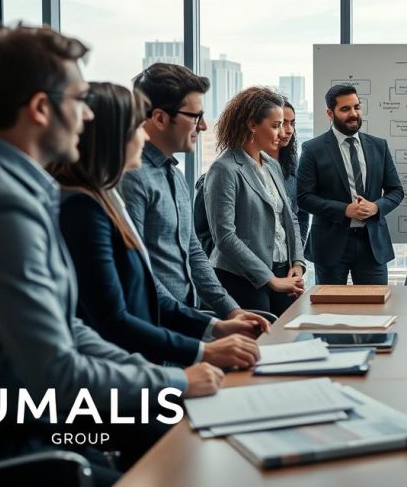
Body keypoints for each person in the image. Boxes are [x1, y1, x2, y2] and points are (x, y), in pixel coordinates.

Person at [0, 25, 222, 485]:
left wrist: (158, 372)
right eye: (78, 101)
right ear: (40, 109)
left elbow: (65, 325)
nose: (88, 118)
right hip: (7, 447)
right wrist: (175, 382)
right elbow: (59, 373)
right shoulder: (0, 205)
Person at [53, 82, 263, 369]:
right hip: (126, 365)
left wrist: (214, 326)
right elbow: (114, 317)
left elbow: (150, 286)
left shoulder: (108, 196)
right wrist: (204, 351)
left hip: (158, 344)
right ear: (111, 138)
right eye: (137, 127)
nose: (144, 135)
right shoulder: (84, 207)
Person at [118, 63, 269, 334]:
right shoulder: (132, 178)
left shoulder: (174, 175)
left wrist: (232, 311)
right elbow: (138, 272)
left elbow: (194, 253)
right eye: (195, 116)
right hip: (151, 330)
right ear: (160, 118)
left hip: (182, 323)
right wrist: (209, 325)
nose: (203, 125)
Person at [204, 87, 307, 316]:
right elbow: (225, 237)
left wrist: (297, 263)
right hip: (242, 279)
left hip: (283, 273)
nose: (282, 133)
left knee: (288, 343)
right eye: (275, 125)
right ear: (252, 125)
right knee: (258, 346)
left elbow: (290, 218)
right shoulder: (225, 169)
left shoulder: (272, 165)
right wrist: (269, 279)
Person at [297, 84, 404, 285]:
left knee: (375, 310)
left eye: (357, 107)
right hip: (330, 244)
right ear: (330, 113)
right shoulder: (313, 149)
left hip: (372, 245)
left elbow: (396, 191)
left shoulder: (379, 146)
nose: (353, 114)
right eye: (345, 109)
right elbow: (303, 198)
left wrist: (376, 207)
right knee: (330, 313)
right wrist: (345, 210)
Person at [276, 98, 309, 244]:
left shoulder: (294, 165)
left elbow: (301, 213)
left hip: (288, 255)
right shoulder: (236, 168)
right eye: (283, 123)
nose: (289, 130)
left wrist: (298, 250)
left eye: (292, 123)